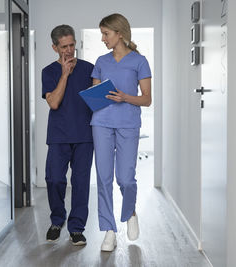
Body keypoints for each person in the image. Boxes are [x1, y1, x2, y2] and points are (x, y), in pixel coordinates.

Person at [91, 13, 152, 252]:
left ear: (120, 33)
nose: (103, 39)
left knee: (125, 179)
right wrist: (95, 95)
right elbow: (95, 95)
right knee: (103, 178)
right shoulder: (101, 61)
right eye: (102, 34)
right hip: (101, 122)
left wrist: (124, 97)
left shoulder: (139, 61)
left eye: (106, 34)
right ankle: (109, 231)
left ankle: (130, 211)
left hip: (128, 123)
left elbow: (146, 100)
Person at [42, 24, 94, 246]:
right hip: (59, 135)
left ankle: (76, 228)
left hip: (84, 135)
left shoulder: (89, 68)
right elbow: (53, 103)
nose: (69, 50)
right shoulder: (49, 72)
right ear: (55, 47)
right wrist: (64, 75)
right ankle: (57, 219)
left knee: (81, 183)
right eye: (64, 47)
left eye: (72, 45)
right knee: (54, 179)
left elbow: (98, 100)